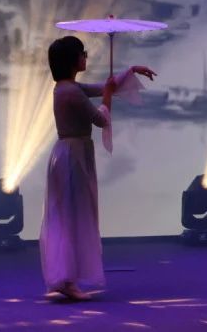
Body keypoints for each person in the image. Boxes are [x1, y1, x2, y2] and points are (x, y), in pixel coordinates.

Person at [40, 36, 156, 300]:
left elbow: (104, 87)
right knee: (73, 214)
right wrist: (107, 96)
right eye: (82, 53)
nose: (85, 57)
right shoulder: (69, 91)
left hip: (73, 153)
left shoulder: (68, 87)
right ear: (72, 60)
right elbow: (100, 119)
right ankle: (66, 279)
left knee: (70, 214)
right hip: (72, 156)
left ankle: (66, 277)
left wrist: (130, 71)